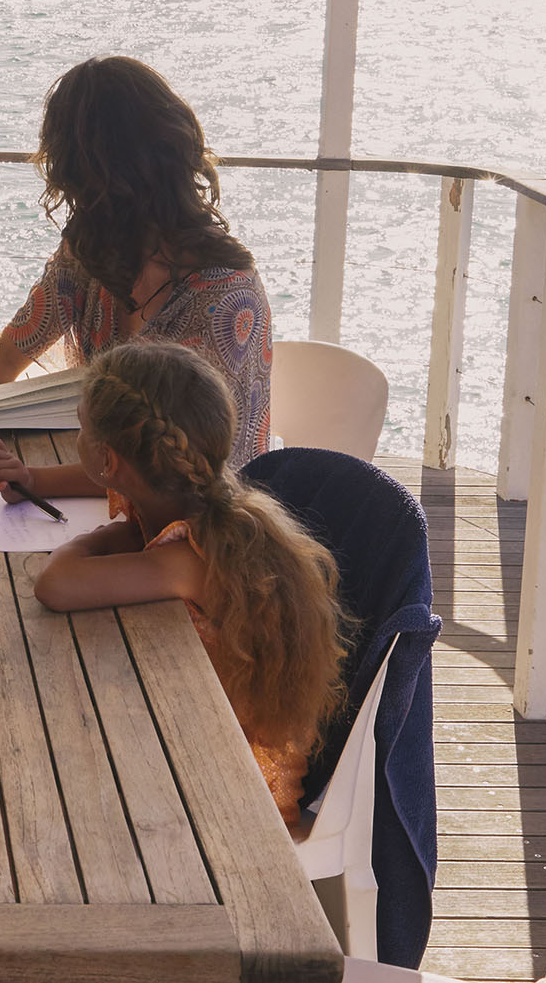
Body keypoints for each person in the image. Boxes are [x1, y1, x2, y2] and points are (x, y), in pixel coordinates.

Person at [22, 342, 345, 827]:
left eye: (81, 427)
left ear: (108, 460)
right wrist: (126, 529)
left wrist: (98, 537)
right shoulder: (210, 514)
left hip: (236, 797)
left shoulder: (187, 560)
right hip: (197, 739)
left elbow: (56, 584)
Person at [0, 56, 272, 483]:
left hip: (207, 524)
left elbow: (178, 470)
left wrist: (34, 479)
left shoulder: (224, 298)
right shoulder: (94, 249)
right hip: (118, 496)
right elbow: (9, 352)